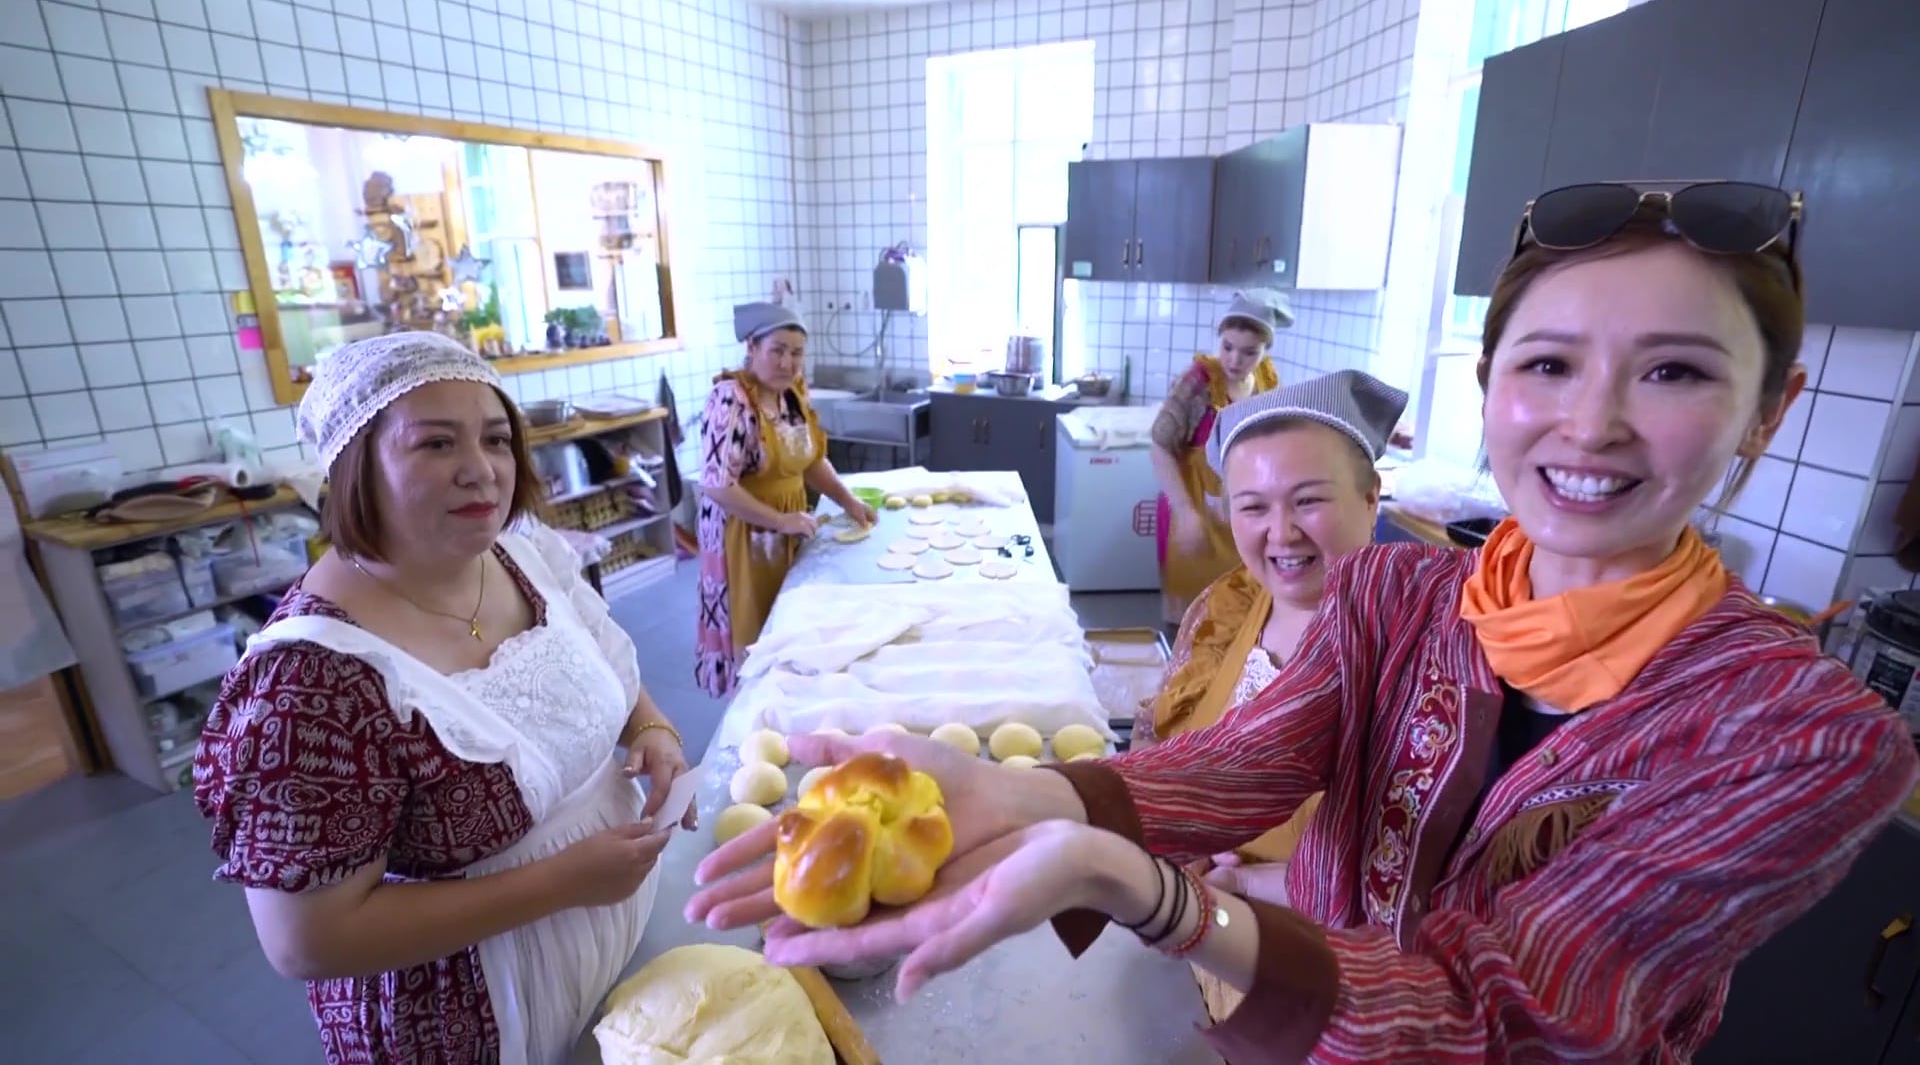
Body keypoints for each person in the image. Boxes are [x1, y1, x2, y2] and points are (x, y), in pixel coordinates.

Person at [688, 183, 1920, 1063]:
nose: (1590, 424)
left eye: (1675, 371)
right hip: (1284, 1025)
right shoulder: (1397, 596)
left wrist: (1143, 891)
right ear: (1489, 386)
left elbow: (1506, 1015)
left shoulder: (1801, 738)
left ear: (1770, 411)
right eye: (1547, 364)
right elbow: (1243, 763)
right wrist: (1030, 797)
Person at [194, 332, 695, 1065]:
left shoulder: (520, 552)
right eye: (435, 443)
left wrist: (652, 728)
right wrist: (560, 883)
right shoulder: (310, 684)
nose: (481, 470)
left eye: (496, 439)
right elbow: (307, 941)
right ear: (357, 464)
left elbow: (596, 663)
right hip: (472, 1015)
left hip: (613, 938)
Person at [1136, 369, 1407, 1023]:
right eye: (1253, 507)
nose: (1281, 534)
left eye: (1308, 501)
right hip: (1194, 950)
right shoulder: (1229, 606)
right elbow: (1159, 737)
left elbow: (1425, 868)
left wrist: (1253, 882)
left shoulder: (1420, 645)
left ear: (1371, 498)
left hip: (1325, 994)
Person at [695, 302, 877, 697]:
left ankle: (792, 699)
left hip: (788, 524)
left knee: (789, 620)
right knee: (755, 631)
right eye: (777, 350)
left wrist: (847, 501)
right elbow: (717, 485)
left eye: (796, 353)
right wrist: (779, 521)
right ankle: (756, 712)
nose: (787, 363)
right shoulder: (731, 400)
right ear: (752, 348)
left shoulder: (792, 394)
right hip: (743, 535)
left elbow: (810, 461)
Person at [1153, 290, 1289, 624]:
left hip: (1238, 514)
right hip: (1192, 507)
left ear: (1265, 350)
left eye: (1249, 352)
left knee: (1234, 615)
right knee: (1189, 619)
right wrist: (1186, 512)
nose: (1234, 360)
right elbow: (1160, 446)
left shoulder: (1267, 383)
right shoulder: (1198, 383)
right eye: (1227, 347)